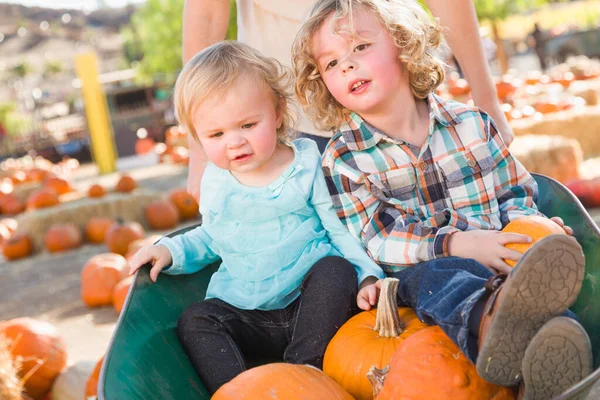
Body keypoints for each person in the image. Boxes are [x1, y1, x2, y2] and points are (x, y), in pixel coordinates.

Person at [292, 1, 593, 398]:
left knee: (535, 283)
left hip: (500, 253)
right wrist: (456, 243)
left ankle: (552, 354)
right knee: (443, 277)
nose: (346, 65)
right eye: (331, 64)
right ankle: (489, 322)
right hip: (421, 275)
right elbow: (377, 238)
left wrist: (530, 227)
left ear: (403, 44)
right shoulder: (344, 160)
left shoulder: (472, 124)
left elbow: (515, 192)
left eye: (360, 48)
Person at [128, 41, 384, 394]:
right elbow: (211, 237)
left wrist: (367, 274)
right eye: (216, 134)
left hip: (308, 309)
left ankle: (304, 372)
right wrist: (171, 251)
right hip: (246, 314)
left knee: (335, 270)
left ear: (277, 113)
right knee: (196, 320)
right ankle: (238, 390)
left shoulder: (307, 164)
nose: (234, 142)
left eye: (247, 125)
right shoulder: (217, 181)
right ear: (198, 138)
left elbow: (339, 229)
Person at [182, 0, 515, 203]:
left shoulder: (468, 127)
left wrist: (486, 98)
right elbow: (207, 11)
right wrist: (200, 149)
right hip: (286, 122)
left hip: (396, 103)